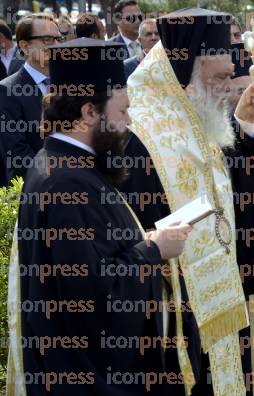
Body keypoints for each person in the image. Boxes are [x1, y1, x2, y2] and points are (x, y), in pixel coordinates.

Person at [126, 7, 254, 395]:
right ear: (187, 71)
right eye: (219, 78)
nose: (225, 87)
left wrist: (247, 123)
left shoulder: (199, 119)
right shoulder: (143, 134)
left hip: (220, 297)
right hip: (176, 306)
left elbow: (236, 189)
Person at [7, 37, 197, 396]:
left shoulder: (66, 164)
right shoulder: (67, 183)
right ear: (89, 112)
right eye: (123, 110)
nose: (129, 122)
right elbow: (93, 295)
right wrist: (154, 249)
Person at [0, 13, 60, 185]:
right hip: (36, 190)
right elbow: (17, 154)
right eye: (47, 39)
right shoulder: (7, 91)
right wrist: (61, 177)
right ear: (25, 46)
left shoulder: (71, 84)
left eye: (58, 38)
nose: (56, 45)